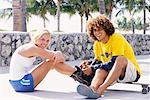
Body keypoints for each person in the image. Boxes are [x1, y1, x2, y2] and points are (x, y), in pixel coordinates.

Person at [77, 15, 141, 99]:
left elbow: (114, 61)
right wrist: (88, 66)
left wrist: (92, 68)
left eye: (100, 29)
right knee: (100, 70)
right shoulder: (97, 44)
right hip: (113, 73)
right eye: (95, 30)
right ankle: (92, 89)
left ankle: (101, 90)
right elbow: (98, 62)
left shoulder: (116, 38)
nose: (97, 33)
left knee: (120, 59)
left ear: (106, 29)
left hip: (130, 73)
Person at [9, 29, 88, 92]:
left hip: (17, 83)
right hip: (22, 83)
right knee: (51, 61)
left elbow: (58, 57)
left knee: (52, 62)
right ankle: (82, 76)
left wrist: (58, 54)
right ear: (36, 38)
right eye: (42, 39)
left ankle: (79, 76)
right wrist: (58, 53)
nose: (45, 43)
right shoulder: (33, 49)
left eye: (47, 41)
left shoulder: (30, 47)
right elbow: (57, 57)